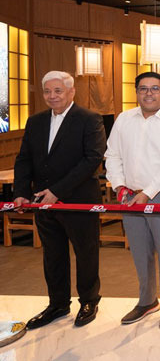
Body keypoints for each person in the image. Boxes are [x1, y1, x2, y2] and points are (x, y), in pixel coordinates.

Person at [13, 71, 106, 329]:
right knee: (53, 255)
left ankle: (89, 300)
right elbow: (24, 158)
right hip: (42, 202)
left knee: (86, 253)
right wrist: (21, 192)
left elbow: (92, 159)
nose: (52, 96)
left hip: (79, 200)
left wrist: (57, 191)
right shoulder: (35, 121)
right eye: (47, 91)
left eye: (58, 91)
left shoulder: (89, 119)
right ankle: (58, 304)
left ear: (71, 92)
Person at [105, 72, 160, 328]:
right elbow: (112, 155)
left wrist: (148, 193)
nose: (149, 93)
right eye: (143, 88)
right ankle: (147, 301)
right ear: (136, 92)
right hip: (130, 196)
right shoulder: (124, 119)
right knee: (140, 252)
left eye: (155, 88)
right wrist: (119, 186)